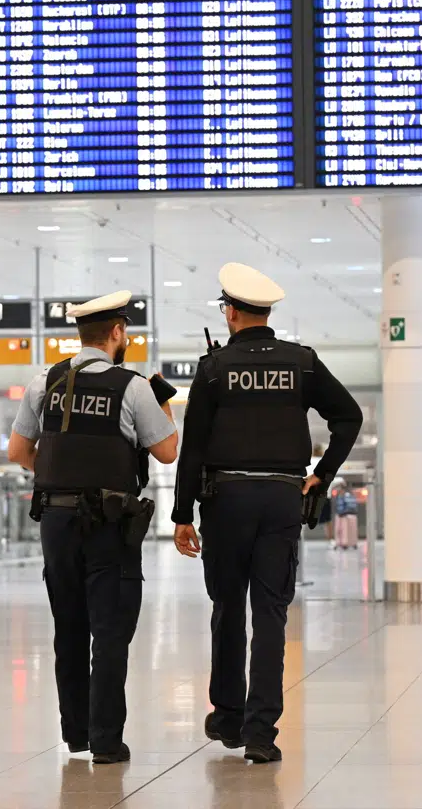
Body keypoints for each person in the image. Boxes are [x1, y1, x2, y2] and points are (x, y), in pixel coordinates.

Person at [172, 263, 363, 763]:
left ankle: (228, 716)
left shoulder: (214, 369)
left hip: (225, 500)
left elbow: (193, 448)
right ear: (266, 313)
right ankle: (260, 733)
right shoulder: (302, 363)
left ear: (230, 313)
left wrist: (181, 513)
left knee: (227, 607)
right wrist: (322, 472)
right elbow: (349, 416)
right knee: (272, 611)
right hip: (281, 498)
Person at [8, 290, 179, 764]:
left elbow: (18, 452)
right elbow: (167, 452)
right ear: (118, 333)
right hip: (108, 523)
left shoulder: (45, 382)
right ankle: (105, 740)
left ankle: (76, 733)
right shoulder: (133, 387)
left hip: (56, 521)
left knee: (69, 627)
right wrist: (164, 404)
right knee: (110, 630)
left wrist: (62, 473)